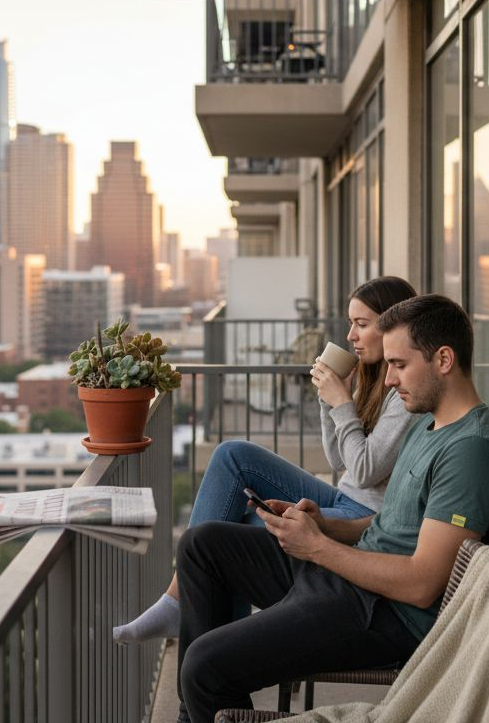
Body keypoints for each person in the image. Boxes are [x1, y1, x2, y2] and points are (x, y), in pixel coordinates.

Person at [174, 294, 489, 723]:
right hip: (350, 574)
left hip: (382, 613)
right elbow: (393, 524)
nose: (388, 380)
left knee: (204, 665)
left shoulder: (472, 452)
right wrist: (323, 527)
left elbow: (422, 585)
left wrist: (316, 548)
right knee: (202, 545)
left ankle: (201, 708)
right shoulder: (429, 424)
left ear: (444, 359)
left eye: (399, 364)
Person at [112, 276, 421, 644]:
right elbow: (339, 460)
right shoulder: (371, 377)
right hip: (342, 499)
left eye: (361, 324)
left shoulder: (406, 393)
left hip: (365, 517)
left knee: (235, 534)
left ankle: (208, 636)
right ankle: (183, 609)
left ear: (392, 327)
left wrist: (341, 403)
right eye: (350, 323)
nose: (351, 335)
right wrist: (329, 400)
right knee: (232, 455)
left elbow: (366, 471)